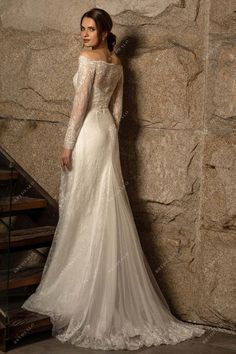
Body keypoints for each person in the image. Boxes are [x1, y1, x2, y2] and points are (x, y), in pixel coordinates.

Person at [21, 7, 206, 350]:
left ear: (105, 31)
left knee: (84, 207)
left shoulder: (87, 58)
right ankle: (103, 287)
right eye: (82, 29)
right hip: (107, 135)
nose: (84, 34)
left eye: (90, 29)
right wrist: (108, 137)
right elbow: (118, 111)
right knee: (105, 204)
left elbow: (79, 106)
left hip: (90, 133)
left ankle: (82, 289)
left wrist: (67, 145)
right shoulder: (118, 64)